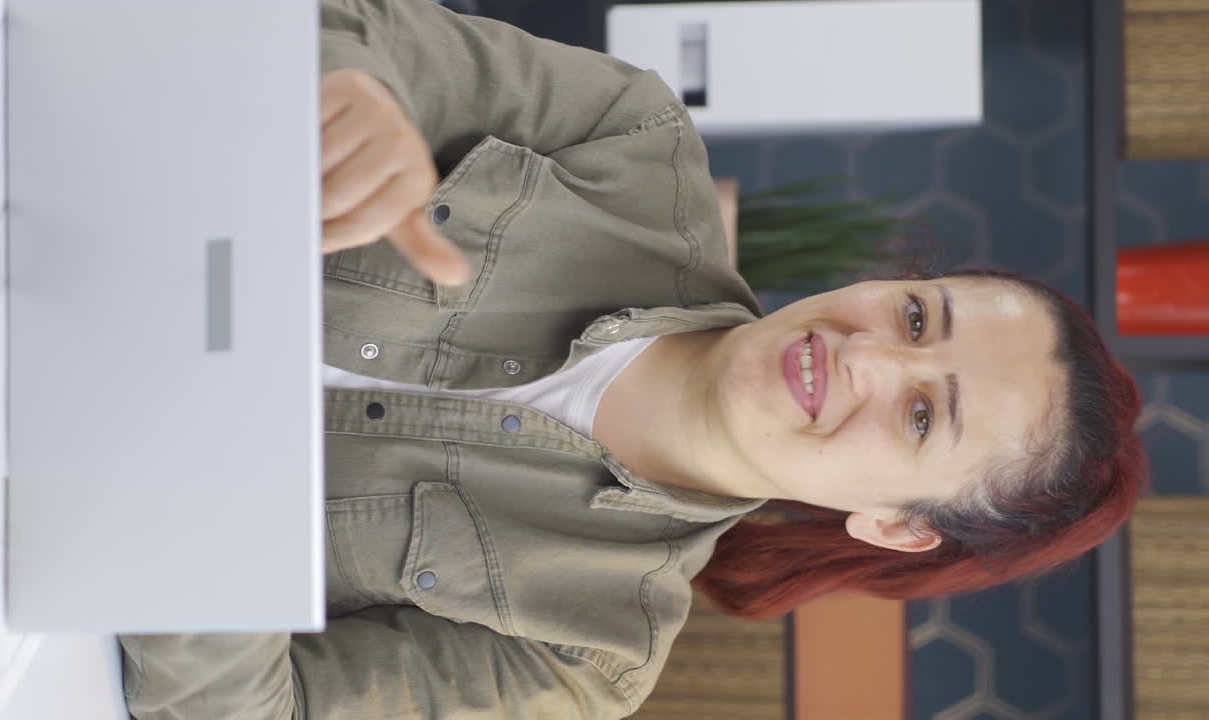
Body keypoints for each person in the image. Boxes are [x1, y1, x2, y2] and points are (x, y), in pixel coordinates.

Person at [118, 0, 1150, 718]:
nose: (866, 357)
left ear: (891, 526)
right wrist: (344, 99)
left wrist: (202, 487)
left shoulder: (585, 655)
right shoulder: (626, 136)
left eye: (923, 417)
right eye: (919, 318)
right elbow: (322, 32)